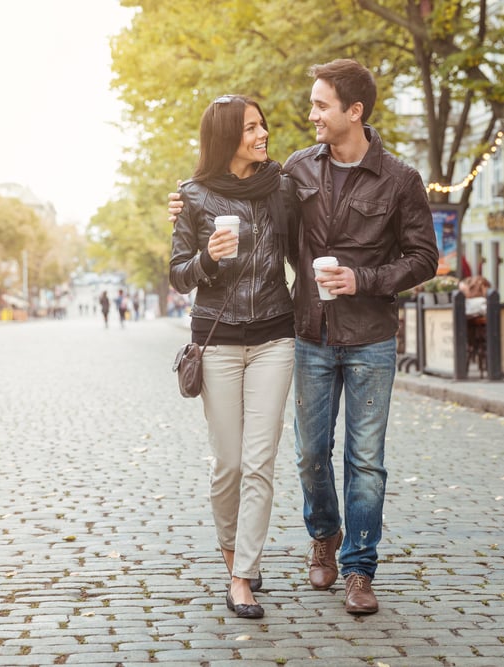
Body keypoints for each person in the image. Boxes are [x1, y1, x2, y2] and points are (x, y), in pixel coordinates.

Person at [168, 60, 437, 616]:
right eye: (311, 105)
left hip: (356, 335)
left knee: (364, 460)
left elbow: (424, 258)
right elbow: (225, 216)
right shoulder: (296, 171)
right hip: (304, 332)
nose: (307, 115)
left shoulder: (398, 179)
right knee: (305, 456)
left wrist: (363, 279)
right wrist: (188, 212)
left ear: (352, 111)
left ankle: (356, 570)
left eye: (319, 105)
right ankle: (321, 538)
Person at [170, 94, 296, 620]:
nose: (262, 134)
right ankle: (231, 551)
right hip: (217, 340)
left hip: (274, 336)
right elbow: (177, 275)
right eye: (250, 128)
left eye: (262, 125)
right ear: (226, 137)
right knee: (228, 464)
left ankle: (242, 575)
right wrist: (206, 259)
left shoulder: (283, 186)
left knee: (260, 462)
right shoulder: (193, 196)